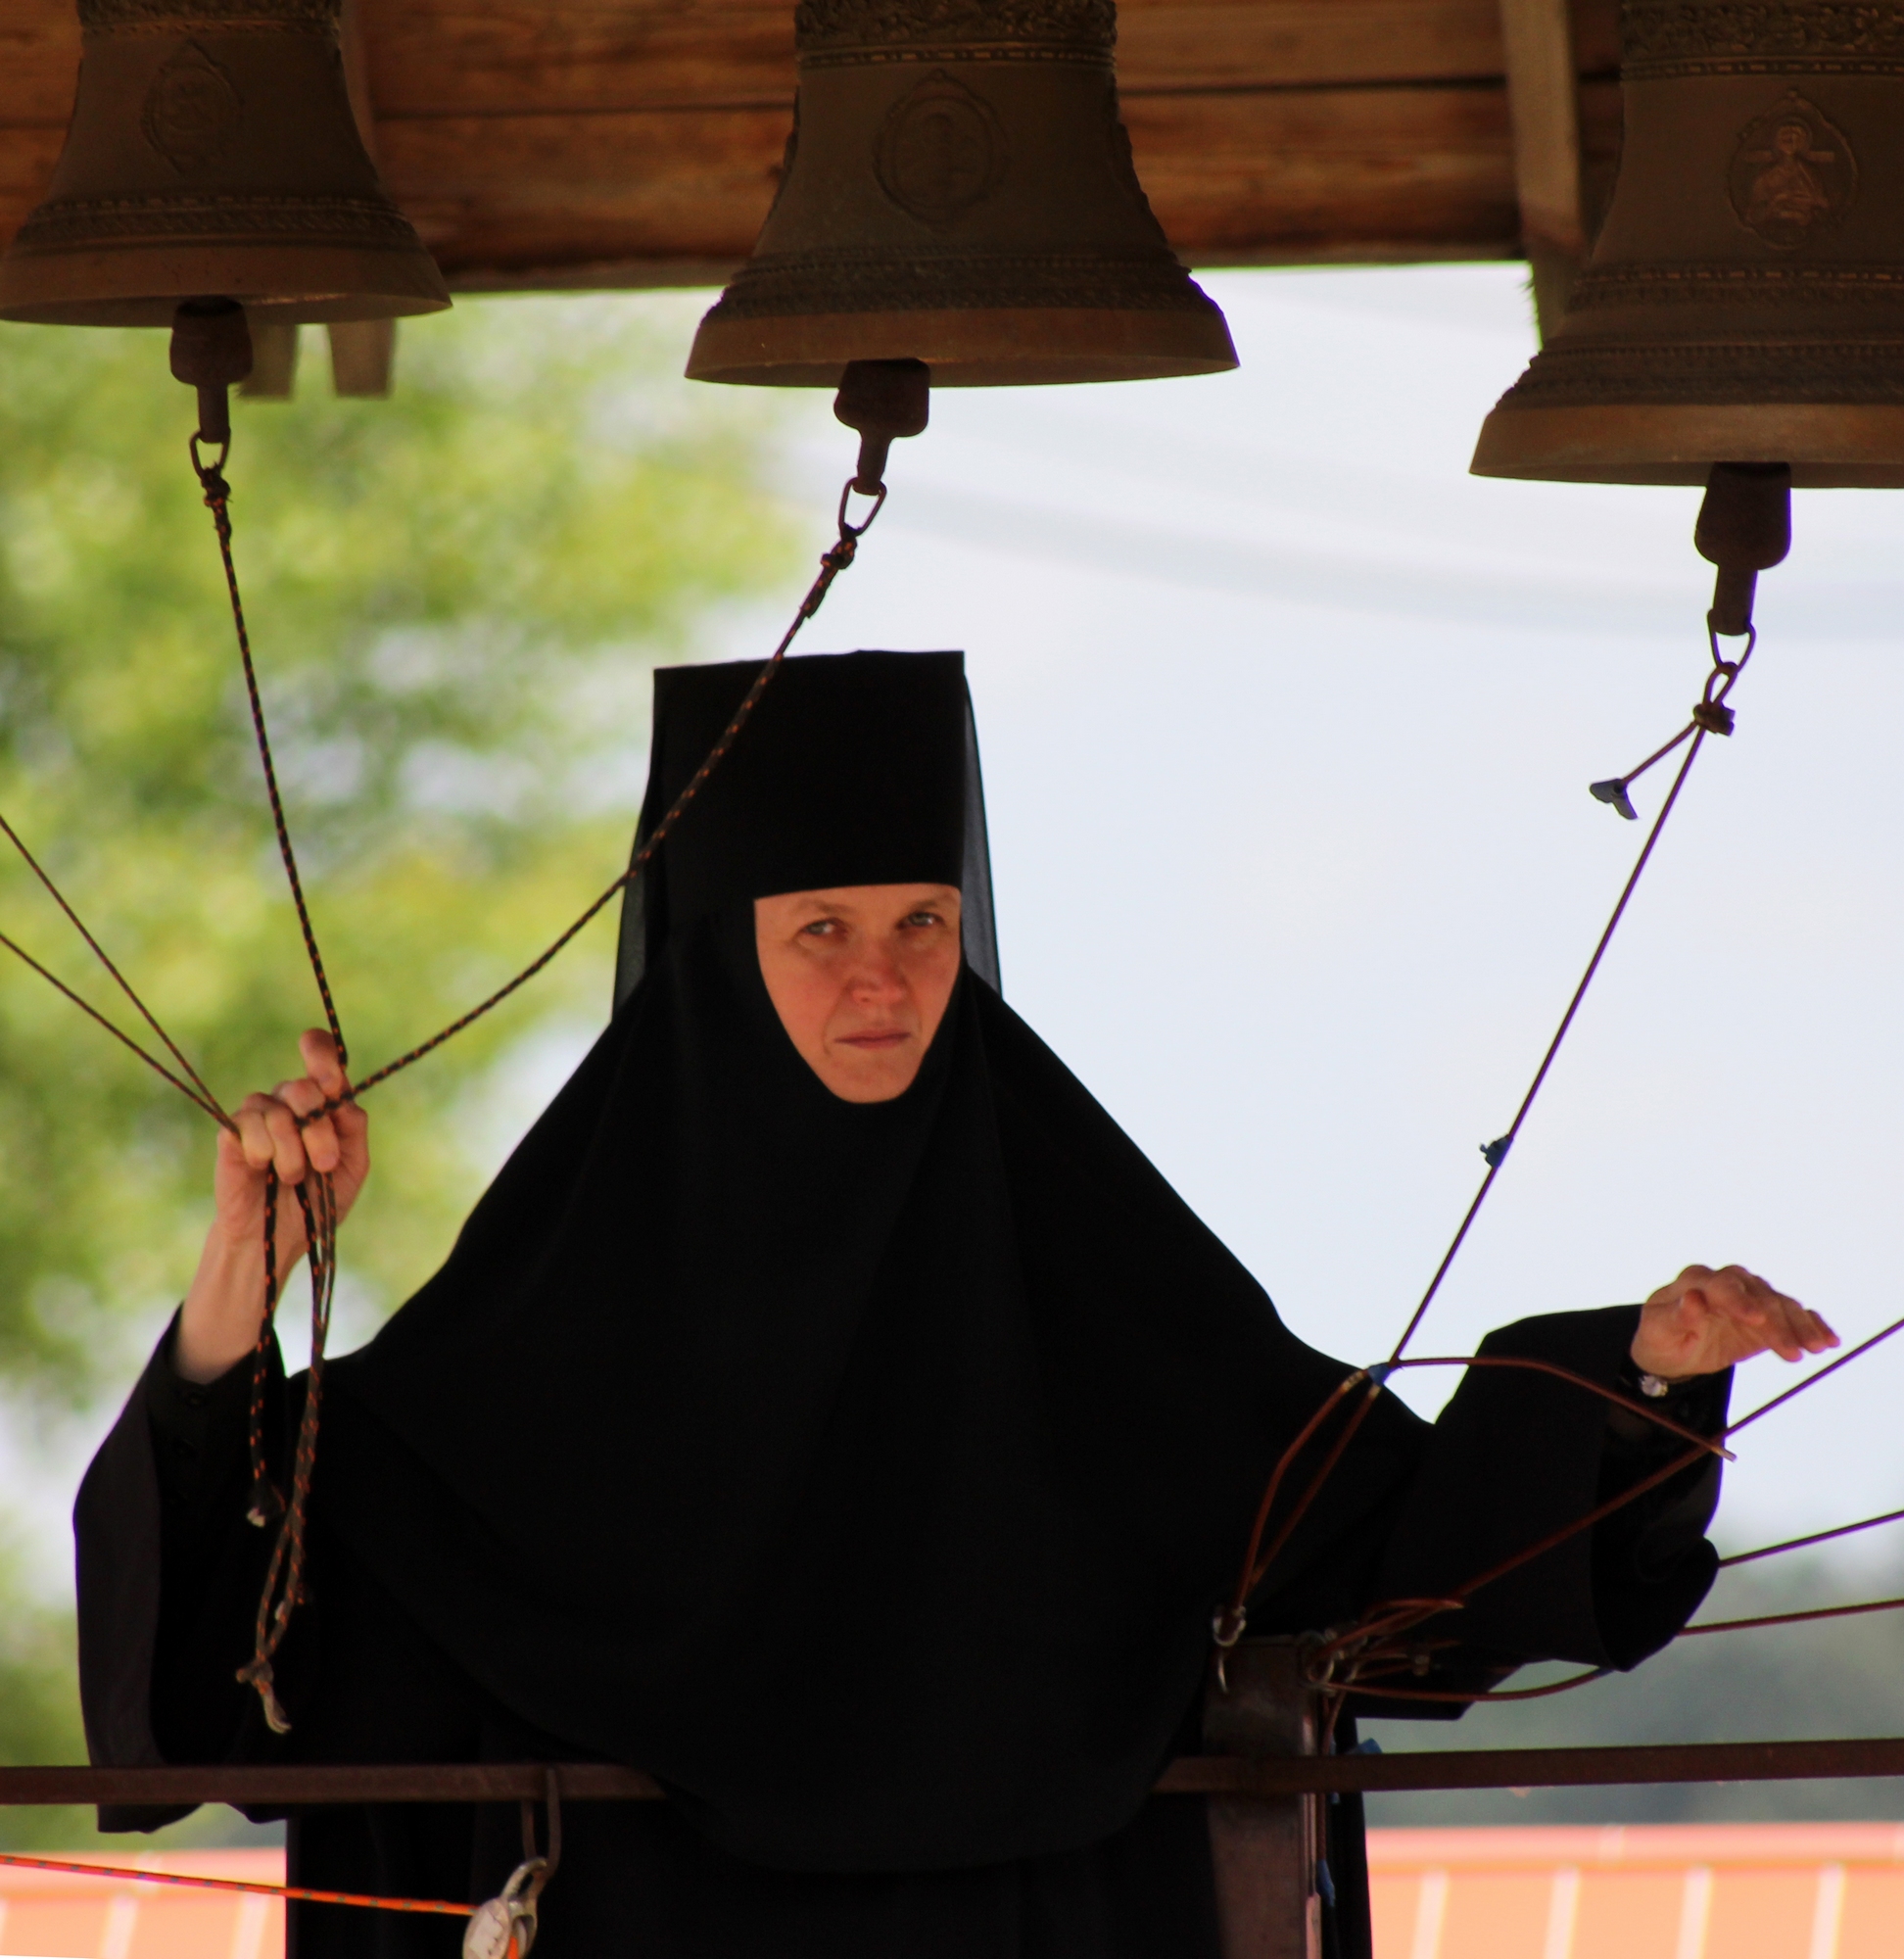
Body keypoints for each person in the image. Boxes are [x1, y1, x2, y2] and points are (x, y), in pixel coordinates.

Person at [75, 650, 1833, 1959]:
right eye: (819, 928)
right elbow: (255, 1639)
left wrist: (1627, 1378)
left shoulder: (1079, 1265)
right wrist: (249, 1269)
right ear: (712, 950)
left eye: (923, 920)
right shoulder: (532, 1353)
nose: (884, 978)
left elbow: (1372, 1560)